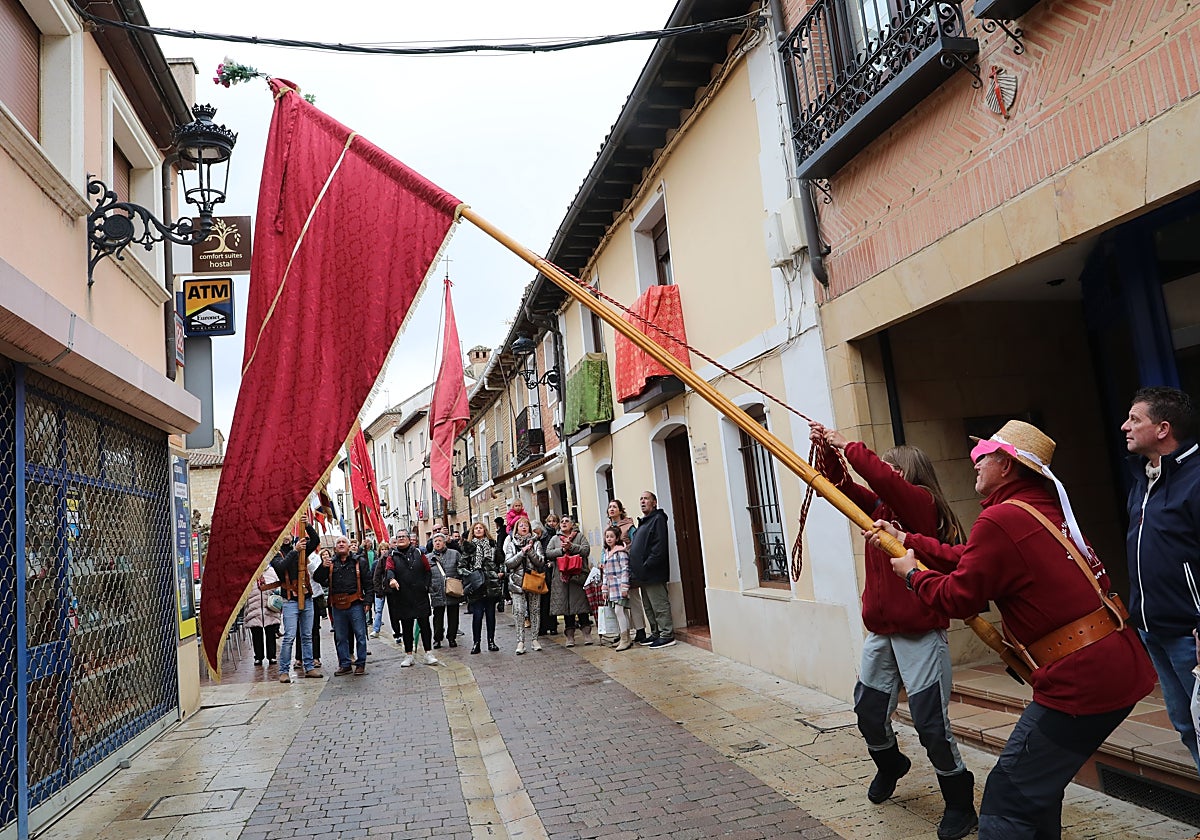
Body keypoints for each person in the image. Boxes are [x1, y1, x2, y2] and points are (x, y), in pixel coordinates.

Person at [885, 420, 1155, 838]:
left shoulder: (1002, 519)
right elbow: (975, 558)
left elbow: (959, 598)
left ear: (1008, 466)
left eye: (984, 455)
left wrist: (911, 575)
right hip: (1110, 665)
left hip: (1081, 681)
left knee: (1009, 799)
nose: (974, 462)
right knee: (1036, 792)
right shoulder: (1035, 507)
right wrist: (911, 540)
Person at [810, 422, 975, 839]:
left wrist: (845, 443)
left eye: (889, 468)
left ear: (905, 473)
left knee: (931, 725)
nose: (882, 472)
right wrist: (827, 450)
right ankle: (890, 764)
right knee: (867, 712)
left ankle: (959, 802)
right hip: (881, 632)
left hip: (920, 633)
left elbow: (877, 476)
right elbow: (841, 485)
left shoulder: (922, 504)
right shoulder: (881, 510)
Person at [1121, 386, 1200, 770]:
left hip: (1191, 634)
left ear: (1164, 428)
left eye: (1135, 419)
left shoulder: (1196, 478)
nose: (1125, 426)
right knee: (1185, 725)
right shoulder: (1143, 480)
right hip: (1153, 630)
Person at [267, 518, 323, 682]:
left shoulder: (300, 547)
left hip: (306, 597)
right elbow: (281, 567)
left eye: (288, 532)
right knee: (290, 636)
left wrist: (306, 525)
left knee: (307, 635)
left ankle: (309, 667)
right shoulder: (276, 553)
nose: (286, 536)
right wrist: (295, 551)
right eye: (282, 534)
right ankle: (284, 671)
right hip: (290, 600)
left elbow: (316, 540)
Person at [314, 534, 373, 676]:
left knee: (360, 635)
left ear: (348, 546)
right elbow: (318, 579)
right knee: (340, 637)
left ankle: (360, 664)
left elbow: (368, 584)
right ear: (335, 547)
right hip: (337, 605)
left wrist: (368, 602)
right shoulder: (330, 563)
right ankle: (345, 664)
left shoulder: (359, 561)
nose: (341, 544)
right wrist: (323, 567)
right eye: (338, 542)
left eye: (343, 542)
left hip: (355, 603)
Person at [385, 530, 438, 667]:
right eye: (398, 537)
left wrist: (425, 586)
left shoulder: (419, 553)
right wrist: (391, 579)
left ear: (410, 539)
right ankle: (408, 655)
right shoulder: (392, 555)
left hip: (420, 596)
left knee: (425, 625)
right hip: (402, 596)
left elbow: (427, 570)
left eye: (403, 537)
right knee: (406, 627)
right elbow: (389, 569)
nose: (401, 539)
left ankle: (428, 653)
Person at [628, 491, 674, 648]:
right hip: (643, 575)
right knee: (649, 607)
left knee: (659, 605)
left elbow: (659, 547)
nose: (642, 501)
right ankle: (655, 633)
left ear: (654, 502)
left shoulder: (658, 519)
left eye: (646, 499)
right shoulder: (645, 521)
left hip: (653, 573)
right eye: (640, 499)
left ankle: (666, 634)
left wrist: (647, 564)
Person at [545, 515, 593, 647]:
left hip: (577, 577)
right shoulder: (555, 539)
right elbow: (548, 553)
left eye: (567, 521)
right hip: (562, 579)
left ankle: (587, 634)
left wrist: (571, 547)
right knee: (567, 609)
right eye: (562, 522)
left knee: (581, 607)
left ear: (572, 524)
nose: (564, 523)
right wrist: (561, 550)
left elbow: (586, 550)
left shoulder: (579, 536)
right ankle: (570, 637)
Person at [460, 521, 504, 653]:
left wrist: (500, 572)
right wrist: (471, 575)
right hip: (477, 585)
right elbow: (461, 567)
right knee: (477, 615)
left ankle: (491, 641)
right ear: (472, 531)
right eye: (476, 528)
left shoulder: (492, 545)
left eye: (481, 528)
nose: (479, 530)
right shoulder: (468, 546)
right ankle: (476, 643)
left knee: (491, 614)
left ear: (485, 530)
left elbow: (500, 561)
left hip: (491, 583)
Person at [504, 517, 546, 654]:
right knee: (519, 612)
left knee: (535, 610)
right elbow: (509, 563)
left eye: (526, 525)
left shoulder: (536, 543)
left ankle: (535, 639)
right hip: (517, 583)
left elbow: (540, 562)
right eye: (521, 525)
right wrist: (521, 553)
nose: (523, 527)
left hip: (533, 581)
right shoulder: (511, 544)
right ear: (517, 528)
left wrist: (530, 551)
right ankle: (520, 642)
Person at [601, 525, 634, 651]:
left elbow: (625, 570)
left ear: (617, 538)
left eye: (611, 536)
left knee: (619, 611)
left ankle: (625, 639)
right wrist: (604, 588)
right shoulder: (606, 553)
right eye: (607, 536)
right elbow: (605, 572)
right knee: (620, 612)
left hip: (620, 587)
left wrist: (625, 587)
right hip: (611, 589)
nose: (609, 539)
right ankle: (625, 637)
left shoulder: (621, 552)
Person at [428, 532, 462, 649]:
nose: (437, 543)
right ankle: (437, 638)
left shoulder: (454, 554)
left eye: (440, 541)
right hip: (436, 590)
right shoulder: (428, 558)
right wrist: (429, 587)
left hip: (452, 589)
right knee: (437, 616)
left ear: (444, 542)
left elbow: (461, 569)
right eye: (435, 541)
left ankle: (451, 637)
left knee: (453, 615)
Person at [244, 564, 281, 667]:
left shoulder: (271, 571)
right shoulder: (248, 572)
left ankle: (272, 656)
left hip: (269, 607)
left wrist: (272, 589)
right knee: (256, 633)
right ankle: (258, 657)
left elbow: (278, 585)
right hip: (253, 607)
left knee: (270, 633)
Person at [538, 512, 560, 635]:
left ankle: (552, 625)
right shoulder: (545, 536)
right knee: (545, 599)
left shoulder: (557, 535)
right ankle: (546, 625)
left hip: (554, 570)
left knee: (553, 599)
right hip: (545, 571)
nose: (551, 523)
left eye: (554, 521)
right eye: (549, 521)